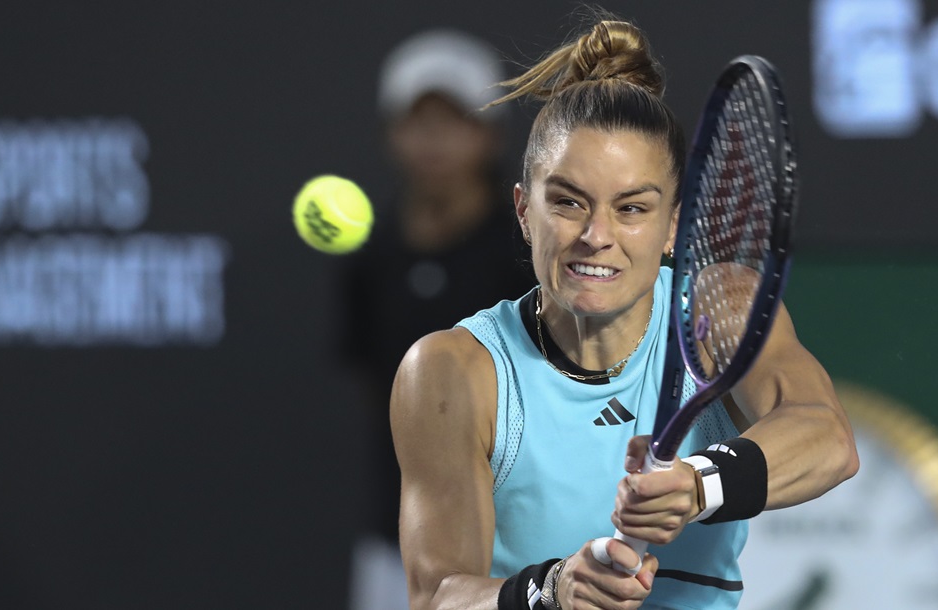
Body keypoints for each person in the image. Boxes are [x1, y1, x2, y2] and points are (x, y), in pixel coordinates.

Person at [390, 16, 860, 610]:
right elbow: (437, 595)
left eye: (631, 208)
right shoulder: (453, 369)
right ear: (524, 212)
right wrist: (551, 590)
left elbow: (827, 437)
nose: (596, 236)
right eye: (568, 202)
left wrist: (697, 484)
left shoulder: (716, 308)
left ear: (673, 227)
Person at [343, 28, 536, 610]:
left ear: (489, 135)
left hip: (515, 540)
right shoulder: (371, 255)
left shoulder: (527, 251)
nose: (435, 141)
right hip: (394, 539)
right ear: (392, 135)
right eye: (419, 123)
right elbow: (371, 382)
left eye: (454, 122)